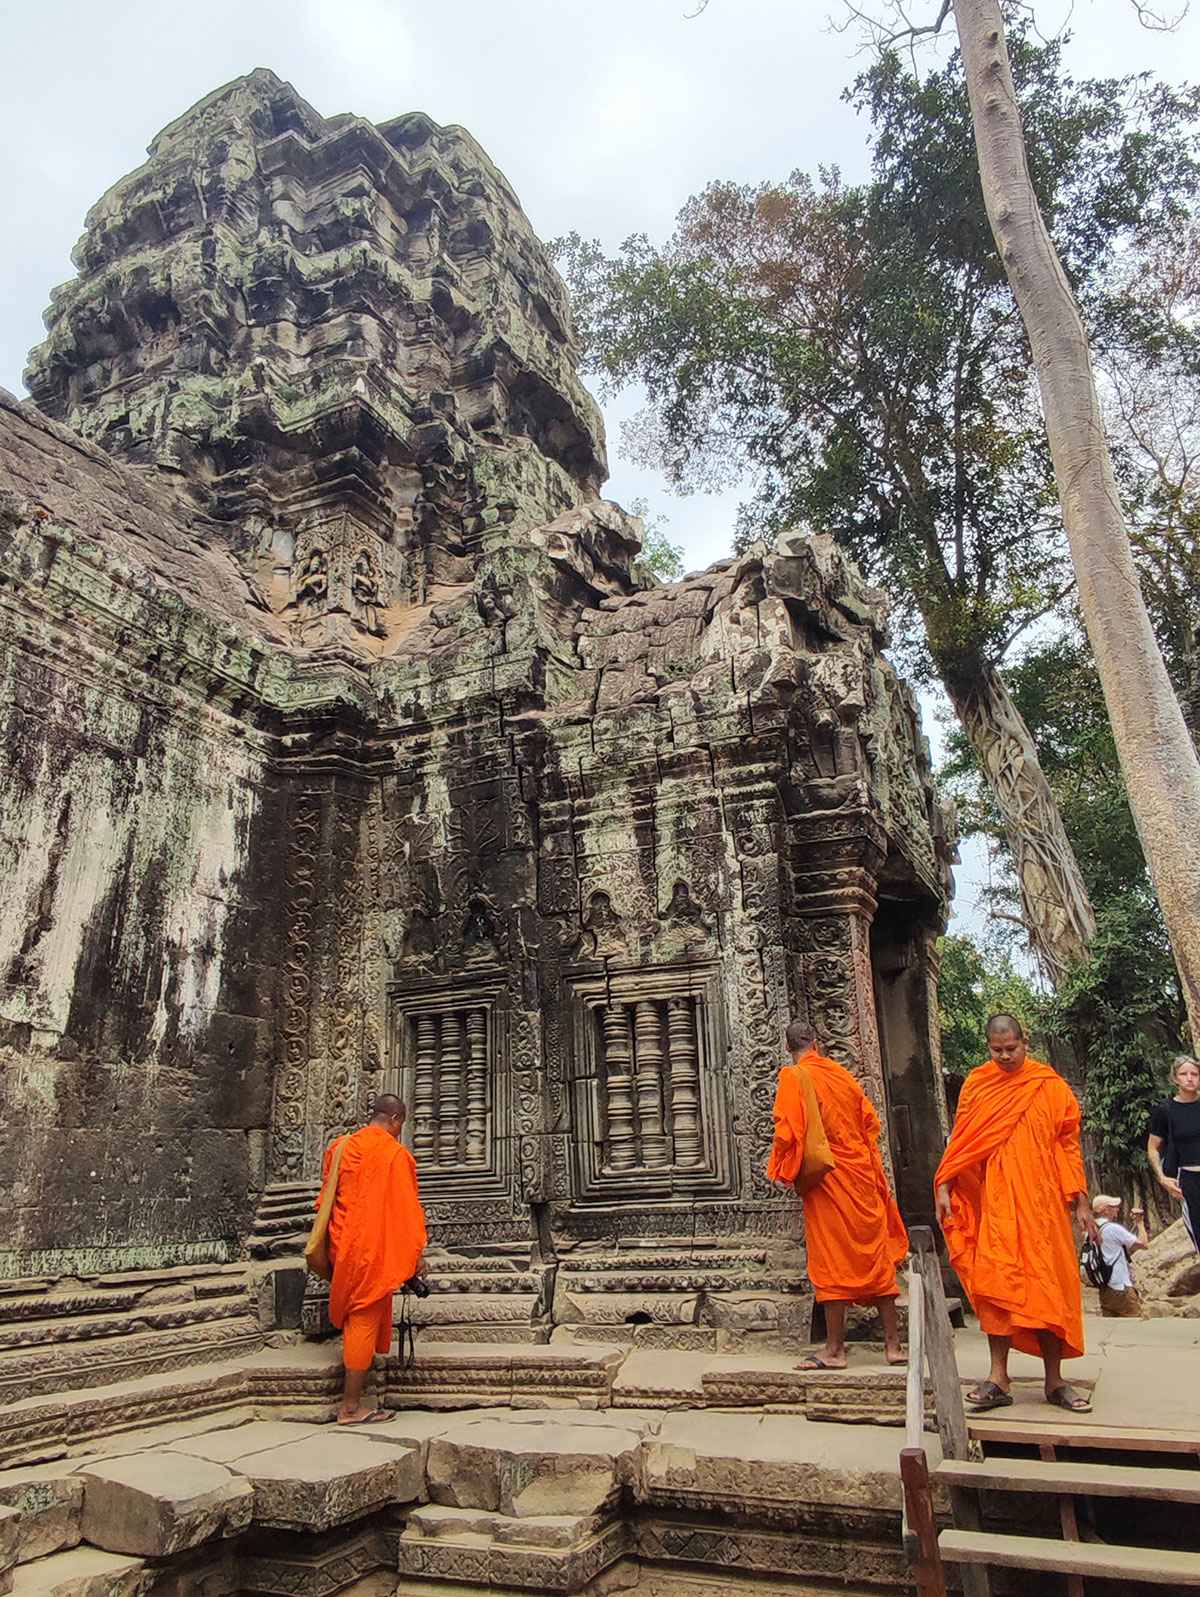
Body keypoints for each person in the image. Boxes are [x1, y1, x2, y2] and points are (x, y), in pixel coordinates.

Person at [935, 1014, 1097, 1414]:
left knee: (1050, 1289)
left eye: (1011, 1049)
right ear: (988, 1047)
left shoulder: (1049, 1086)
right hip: (998, 1204)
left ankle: (1055, 1381)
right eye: (997, 1050)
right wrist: (944, 1185)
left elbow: (1067, 1146)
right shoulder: (978, 1084)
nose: (1005, 1057)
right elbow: (964, 1141)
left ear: (1025, 1042)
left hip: (1044, 1206)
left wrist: (1080, 1200)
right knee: (997, 1286)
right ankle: (997, 1377)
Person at [768, 1019, 909, 1369]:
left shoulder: (794, 1077)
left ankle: (834, 1350)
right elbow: (870, 1123)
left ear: (789, 1048)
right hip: (860, 1176)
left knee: (832, 1261)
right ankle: (893, 1347)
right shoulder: (843, 1077)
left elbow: (787, 1133)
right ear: (816, 1043)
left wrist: (782, 1170)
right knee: (876, 1258)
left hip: (827, 1179)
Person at [317, 1093, 427, 1425]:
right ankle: (350, 1407)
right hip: (372, 1250)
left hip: (344, 1245)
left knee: (360, 1313)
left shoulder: (340, 1148)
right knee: (363, 1319)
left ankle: (356, 1399)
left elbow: (328, 1197)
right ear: (396, 1121)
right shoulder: (395, 1155)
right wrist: (415, 1255)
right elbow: (407, 1211)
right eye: (401, 1125)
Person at [1147, 1056, 1200, 1253]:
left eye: (1194, 1074)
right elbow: (1153, 1147)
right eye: (1184, 1074)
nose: (1190, 1078)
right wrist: (1162, 1178)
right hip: (1188, 1179)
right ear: (1175, 1078)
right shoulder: (1166, 1111)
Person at [1090, 1194, 1148, 1317]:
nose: (1117, 1209)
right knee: (1136, 1322)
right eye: (1113, 1206)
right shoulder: (1113, 1229)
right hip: (1120, 1285)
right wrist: (1140, 1223)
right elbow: (1143, 1244)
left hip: (1105, 1288)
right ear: (1105, 1210)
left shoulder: (1091, 1229)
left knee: (1113, 1324)